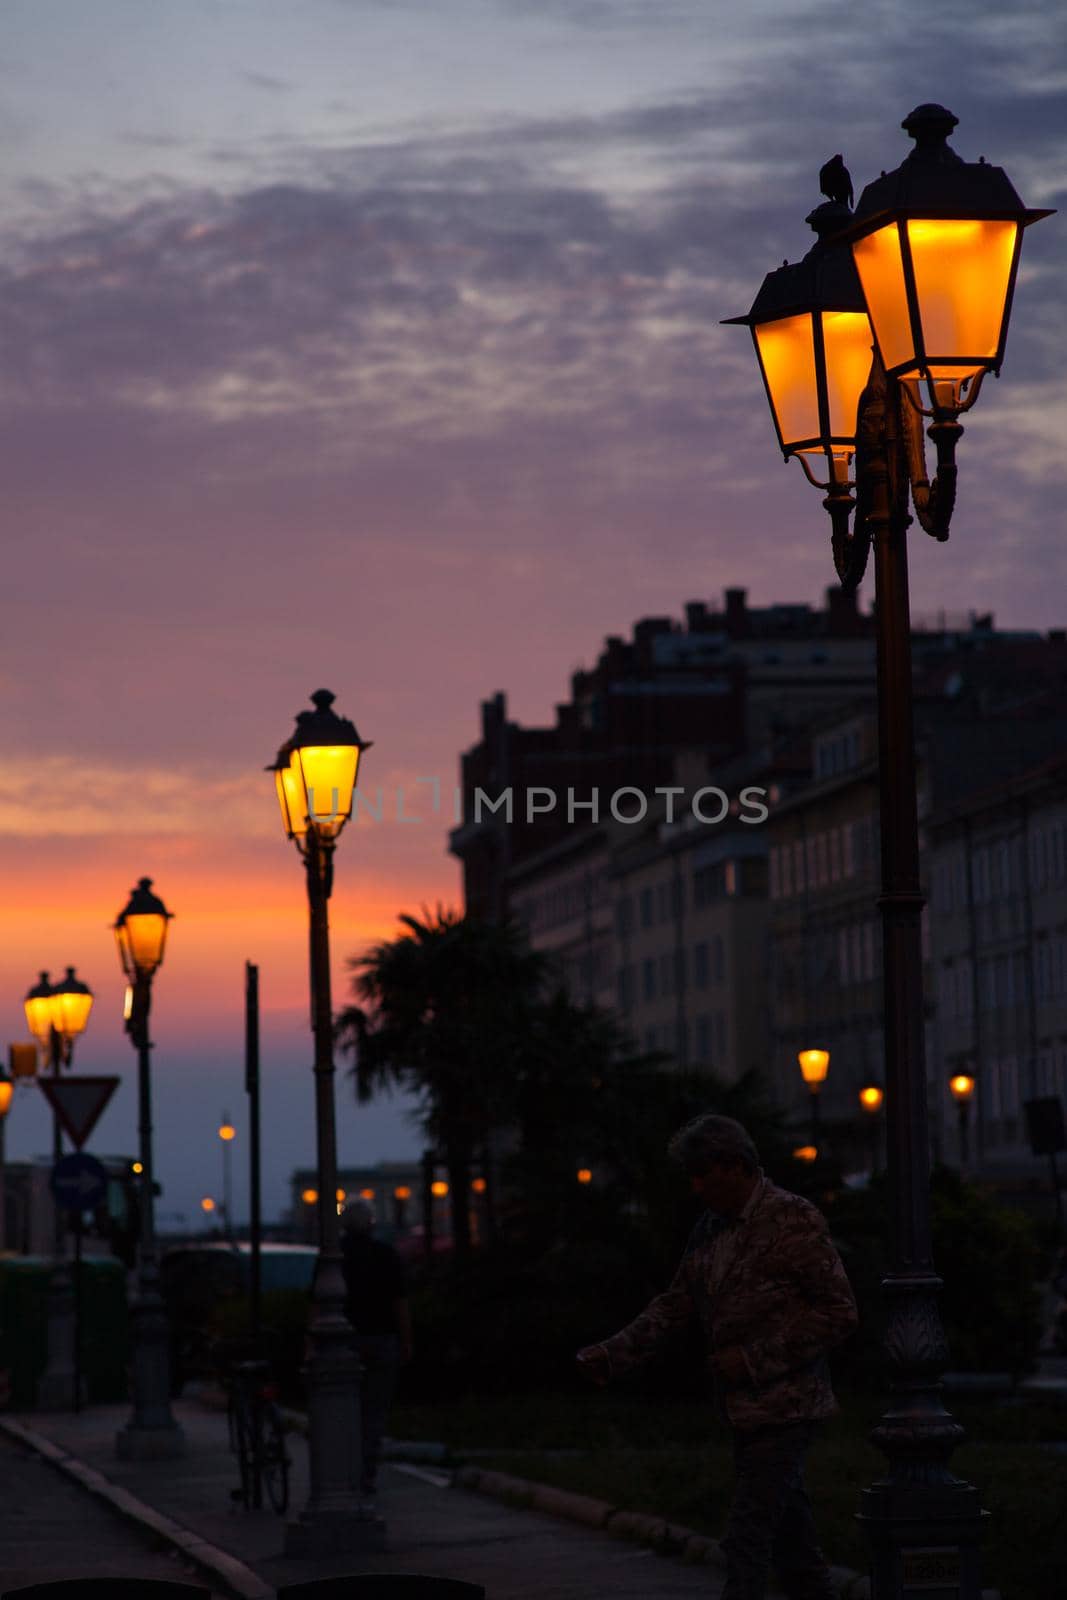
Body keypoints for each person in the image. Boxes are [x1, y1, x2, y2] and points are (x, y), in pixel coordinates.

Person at [576, 1114, 857, 1600]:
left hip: (788, 1407)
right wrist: (615, 1352)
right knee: (795, 1550)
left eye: (704, 1174)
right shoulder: (710, 1228)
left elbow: (838, 1312)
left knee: (747, 1538)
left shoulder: (791, 1218)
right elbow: (676, 1302)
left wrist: (752, 1360)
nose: (696, 1186)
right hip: (743, 1411)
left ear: (735, 1166)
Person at [339, 1199, 413, 1507]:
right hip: (382, 1341)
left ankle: (347, 1471)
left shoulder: (334, 1258)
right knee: (375, 1411)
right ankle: (366, 1473)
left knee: (344, 1409)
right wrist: (407, 1341)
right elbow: (400, 1303)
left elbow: (315, 1304)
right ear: (371, 1223)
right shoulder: (386, 1255)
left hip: (344, 1343)